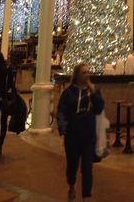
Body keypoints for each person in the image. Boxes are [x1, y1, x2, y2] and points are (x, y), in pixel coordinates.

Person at [58, 63, 104, 201]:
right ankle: (71, 185)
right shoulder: (68, 92)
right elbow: (62, 110)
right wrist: (62, 125)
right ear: (77, 75)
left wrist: (93, 92)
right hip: (72, 136)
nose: (87, 75)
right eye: (84, 72)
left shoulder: (93, 91)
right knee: (72, 166)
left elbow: (99, 108)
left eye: (88, 72)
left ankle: (86, 196)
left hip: (88, 136)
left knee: (87, 168)